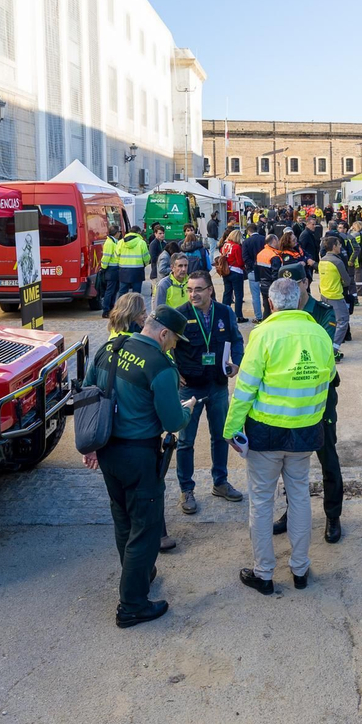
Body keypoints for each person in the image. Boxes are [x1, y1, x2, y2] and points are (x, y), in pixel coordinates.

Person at [84, 303, 192, 627]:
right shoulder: (160, 365)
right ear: (163, 333)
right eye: (175, 340)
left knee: (123, 519)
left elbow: (88, 392)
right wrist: (187, 408)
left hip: (107, 450)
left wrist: (91, 445)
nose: (174, 347)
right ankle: (131, 605)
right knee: (145, 528)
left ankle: (140, 573)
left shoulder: (110, 347)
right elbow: (172, 421)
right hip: (139, 455)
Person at [227, 276, 336, 593]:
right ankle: (300, 569)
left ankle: (264, 573)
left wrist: (231, 428)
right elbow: (329, 376)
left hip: (266, 433)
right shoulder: (319, 334)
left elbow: (245, 388)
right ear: (299, 301)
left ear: (271, 303)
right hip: (305, 431)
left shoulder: (263, 334)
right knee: (299, 496)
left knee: (262, 502)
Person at [272, 262, 346, 543]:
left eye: (294, 284)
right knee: (290, 462)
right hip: (290, 400)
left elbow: (319, 351)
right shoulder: (280, 313)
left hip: (320, 399)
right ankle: (292, 511)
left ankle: (333, 515)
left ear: (305, 283)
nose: (288, 290)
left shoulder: (323, 312)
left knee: (328, 458)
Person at [173, 271, 246, 512]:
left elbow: (237, 339)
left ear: (210, 290)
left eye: (198, 289)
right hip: (190, 389)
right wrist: (173, 370)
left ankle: (220, 482)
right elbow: (164, 346)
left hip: (217, 385)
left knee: (220, 435)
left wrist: (237, 362)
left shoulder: (224, 312)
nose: (193, 294)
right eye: (190, 289)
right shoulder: (180, 315)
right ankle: (186, 489)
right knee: (185, 441)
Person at [317, 235, 355, 351]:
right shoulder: (337, 262)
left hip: (324, 294)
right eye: (339, 245)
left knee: (329, 321)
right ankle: (333, 349)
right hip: (336, 296)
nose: (340, 247)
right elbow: (347, 281)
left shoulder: (322, 261)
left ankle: (326, 344)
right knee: (343, 321)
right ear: (334, 246)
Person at [113, 224, 150, 301]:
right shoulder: (141, 242)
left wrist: (121, 263)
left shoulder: (120, 242)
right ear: (139, 232)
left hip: (123, 271)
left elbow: (116, 256)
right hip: (137, 271)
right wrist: (145, 264)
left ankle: (121, 307)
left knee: (122, 293)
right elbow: (146, 258)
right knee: (136, 294)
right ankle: (135, 308)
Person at [220, 229, 248, 322]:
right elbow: (240, 262)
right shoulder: (237, 247)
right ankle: (238, 316)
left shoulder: (225, 245)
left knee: (227, 293)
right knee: (238, 295)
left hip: (226, 271)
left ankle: (224, 314)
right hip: (236, 271)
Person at [244, 225, 267, 322]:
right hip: (264, 269)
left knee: (255, 295)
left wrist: (253, 265)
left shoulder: (246, 242)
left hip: (252, 270)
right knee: (267, 294)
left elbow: (245, 257)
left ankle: (258, 316)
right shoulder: (264, 239)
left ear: (248, 232)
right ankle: (268, 314)